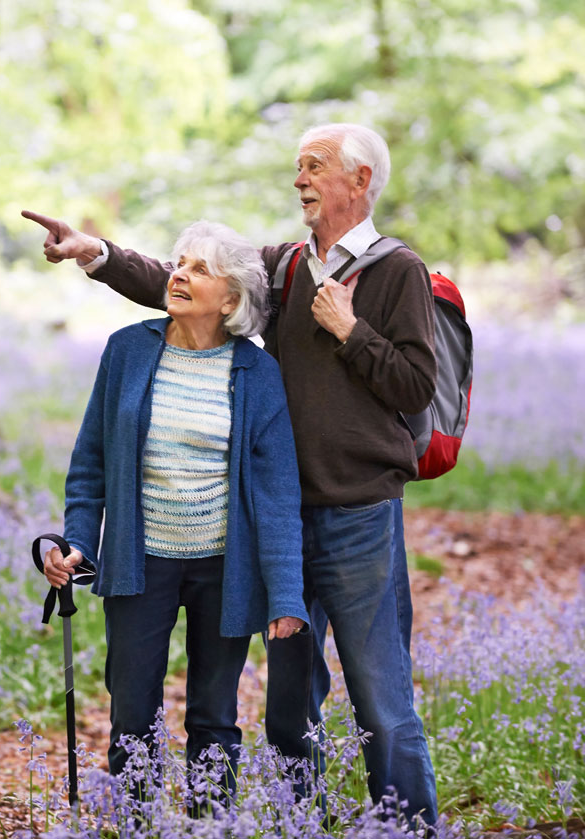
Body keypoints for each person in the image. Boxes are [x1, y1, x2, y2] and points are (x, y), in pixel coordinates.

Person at [22, 122, 439, 826]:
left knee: (381, 697)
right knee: (288, 704)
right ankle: (296, 819)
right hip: (274, 519)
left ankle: (411, 823)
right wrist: (96, 254)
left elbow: (415, 385)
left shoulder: (398, 271)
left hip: (358, 513)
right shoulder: (283, 268)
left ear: (359, 180)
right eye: (298, 166)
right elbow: (193, 287)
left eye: (315, 167)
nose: (300, 179)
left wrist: (350, 328)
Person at [32, 219, 308, 802]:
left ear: (231, 299)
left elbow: (279, 493)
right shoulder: (128, 351)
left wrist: (285, 593)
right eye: (178, 263)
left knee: (214, 715)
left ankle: (214, 822)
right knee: (132, 709)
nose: (179, 275)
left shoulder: (258, 374)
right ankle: (139, 822)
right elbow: (91, 464)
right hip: (140, 561)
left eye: (199, 269)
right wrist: (78, 541)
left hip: (224, 568)